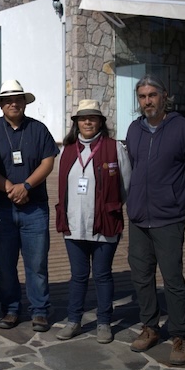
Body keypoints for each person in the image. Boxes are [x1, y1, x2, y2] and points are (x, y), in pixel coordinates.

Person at [126, 75, 185, 366]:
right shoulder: (134, 129)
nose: (147, 101)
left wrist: (176, 197)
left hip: (168, 217)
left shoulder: (182, 128)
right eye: (142, 96)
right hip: (138, 218)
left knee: (173, 279)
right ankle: (150, 327)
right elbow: (132, 167)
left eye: (152, 95)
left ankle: (179, 335)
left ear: (164, 96)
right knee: (141, 276)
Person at [0, 79, 58, 333]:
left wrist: (25, 186)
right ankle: (11, 309)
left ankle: (39, 311)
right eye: (8, 100)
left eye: (17, 99)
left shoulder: (39, 129)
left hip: (34, 207)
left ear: (25, 102)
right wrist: (10, 188)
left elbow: (48, 162)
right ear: (1, 105)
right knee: (4, 264)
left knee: (37, 264)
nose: (13, 104)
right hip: (0, 208)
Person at [54, 99, 131, 344]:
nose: (87, 122)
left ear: (100, 122)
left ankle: (104, 322)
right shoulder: (67, 150)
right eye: (83, 118)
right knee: (78, 276)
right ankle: (73, 320)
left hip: (104, 224)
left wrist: (109, 207)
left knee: (102, 275)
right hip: (74, 225)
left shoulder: (115, 148)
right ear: (76, 123)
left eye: (93, 118)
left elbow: (126, 186)